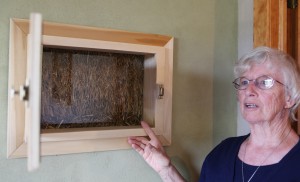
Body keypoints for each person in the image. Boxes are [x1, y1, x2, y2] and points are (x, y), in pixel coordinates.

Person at [127, 46, 300, 182]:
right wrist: (166, 170)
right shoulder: (223, 152)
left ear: (289, 98)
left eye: (264, 82)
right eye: (245, 82)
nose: (249, 90)